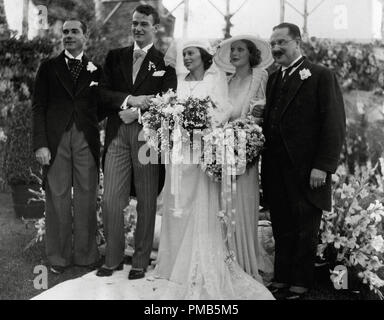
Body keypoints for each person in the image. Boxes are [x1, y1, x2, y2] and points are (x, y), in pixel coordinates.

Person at [154, 39, 274, 300]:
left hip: (206, 149)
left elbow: (222, 111)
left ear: (202, 55)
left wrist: (200, 126)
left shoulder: (218, 78)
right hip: (183, 150)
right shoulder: (181, 81)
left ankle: (206, 257)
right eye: (183, 54)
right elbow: (172, 111)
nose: (186, 58)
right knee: (179, 202)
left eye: (191, 53)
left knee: (204, 204)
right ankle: (175, 259)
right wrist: (176, 123)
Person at [261, 23, 346, 299]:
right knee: (282, 226)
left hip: (308, 170)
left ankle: (301, 281)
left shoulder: (321, 75)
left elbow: (334, 124)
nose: (276, 48)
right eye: (273, 43)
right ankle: (282, 278)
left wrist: (322, 165)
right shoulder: (274, 79)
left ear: (298, 42)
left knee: (304, 228)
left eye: (282, 42)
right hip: (276, 169)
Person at [96, 4, 177, 280]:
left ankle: (141, 260)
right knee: (110, 199)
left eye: (144, 24)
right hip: (118, 134)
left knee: (146, 200)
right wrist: (129, 100)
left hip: (148, 139)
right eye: (135, 23)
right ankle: (113, 258)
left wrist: (139, 112)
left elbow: (169, 100)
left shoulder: (165, 63)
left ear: (155, 27)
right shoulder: (115, 57)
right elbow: (102, 93)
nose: (138, 28)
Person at [32, 19, 102, 274]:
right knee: (57, 198)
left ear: (85, 35)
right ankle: (58, 258)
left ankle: (85, 256)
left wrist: (90, 124)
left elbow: (102, 104)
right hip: (55, 141)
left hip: (86, 139)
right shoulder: (48, 68)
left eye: (75, 31)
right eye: (66, 32)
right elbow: (38, 107)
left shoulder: (96, 70)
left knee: (87, 196)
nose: (69, 36)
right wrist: (40, 144)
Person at [214, 35, 273, 280]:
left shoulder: (260, 77)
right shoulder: (225, 81)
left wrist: (251, 125)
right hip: (222, 151)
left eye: (240, 49)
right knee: (223, 206)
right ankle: (224, 255)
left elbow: (263, 109)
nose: (235, 54)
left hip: (245, 152)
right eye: (232, 50)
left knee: (242, 205)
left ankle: (245, 258)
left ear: (251, 54)